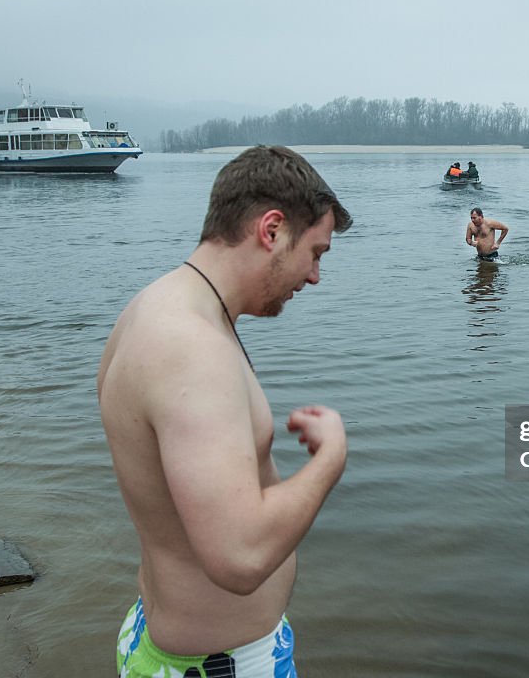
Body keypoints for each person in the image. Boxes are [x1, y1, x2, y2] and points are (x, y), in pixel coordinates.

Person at [99, 145, 353, 678]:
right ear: (272, 229)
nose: (314, 277)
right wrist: (330, 457)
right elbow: (239, 559)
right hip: (213, 664)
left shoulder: (153, 307)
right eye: (317, 252)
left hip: (179, 640)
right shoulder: (193, 350)